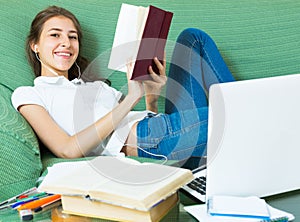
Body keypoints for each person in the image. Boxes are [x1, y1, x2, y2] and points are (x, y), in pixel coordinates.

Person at [11, 6, 235, 164]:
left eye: (73, 37)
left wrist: (151, 97)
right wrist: (130, 98)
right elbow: (68, 149)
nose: (66, 43)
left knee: (193, 38)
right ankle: (252, 124)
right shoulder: (30, 94)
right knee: (235, 116)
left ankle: (248, 125)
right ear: (35, 45)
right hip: (150, 141)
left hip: (161, 129)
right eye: (55, 35)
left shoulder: (94, 86)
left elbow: (137, 119)